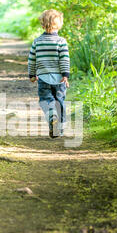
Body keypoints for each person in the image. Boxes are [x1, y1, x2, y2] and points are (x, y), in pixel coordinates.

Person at [28, 9, 70, 138]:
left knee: (46, 100)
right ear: (59, 25)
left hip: (43, 78)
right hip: (59, 79)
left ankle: (52, 116)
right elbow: (64, 59)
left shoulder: (37, 41)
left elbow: (32, 59)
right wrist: (65, 75)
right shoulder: (61, 41)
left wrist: (32, 74)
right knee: (60, 101)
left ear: (42, 25)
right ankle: (59, 129)